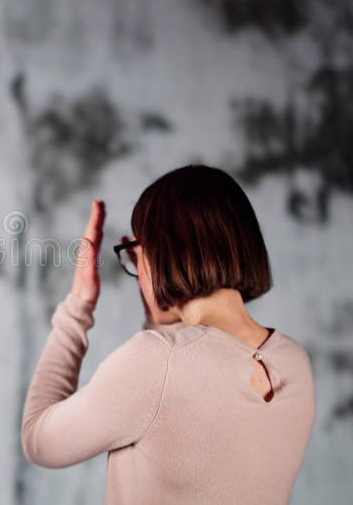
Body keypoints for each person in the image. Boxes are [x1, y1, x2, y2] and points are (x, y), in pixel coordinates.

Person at [21, 165, 315, 504]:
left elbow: (38, 440)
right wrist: (158, 310)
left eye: (136, 252)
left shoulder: (154, 362)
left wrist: (78, 306)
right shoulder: (295, 362)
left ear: (162, 252)